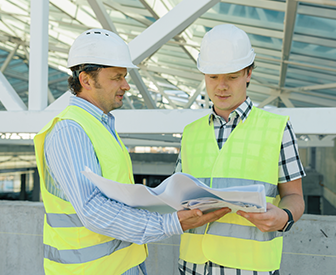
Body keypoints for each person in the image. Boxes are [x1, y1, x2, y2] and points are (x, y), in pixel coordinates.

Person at [34, 28, 230, 275]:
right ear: (85, 80)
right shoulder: (70, 131)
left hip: (123, 265)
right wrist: (170, 223)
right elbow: (93, 209)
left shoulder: (100, 126)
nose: (126, 86)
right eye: (117, 77)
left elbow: (119, 197)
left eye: (124, 77)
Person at [175, 24, 305, 275]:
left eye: (231, 77)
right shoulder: (191, 132)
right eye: (213, 77)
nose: (221, 86)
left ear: (248, 73)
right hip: (192, 266)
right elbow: (177, 194)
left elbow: (295, 196)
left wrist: (285, 217)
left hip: (251, 269)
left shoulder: (278, 128)